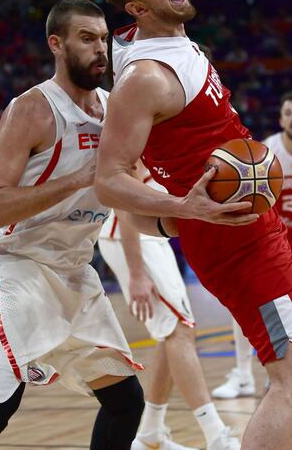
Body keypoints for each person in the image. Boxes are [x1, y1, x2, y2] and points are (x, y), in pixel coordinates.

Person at [92, 0, 292, 450]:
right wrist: (181, 208)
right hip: (237, 243)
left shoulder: (174, 42)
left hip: (246, 228)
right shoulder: (147, 77)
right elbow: (108, 178)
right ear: (136, 8)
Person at [0, 0, 146, 450]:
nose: (100, 49)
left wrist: (189, 207)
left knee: (126, 401)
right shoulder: (32, 110)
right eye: (87, 38)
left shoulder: (117, 110)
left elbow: (136, 194)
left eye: (103, 38)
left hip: (76, 271)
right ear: (56, 44)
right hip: (19, 268)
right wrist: (80, 177)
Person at [98, 163, 239, 450]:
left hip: (151, 236)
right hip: (130, 238)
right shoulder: (135, 123)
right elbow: (126, 204)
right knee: (179, 330)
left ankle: (150, 433)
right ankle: (216, 437)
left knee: (173, 332)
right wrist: (137, 272)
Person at [212, 92, 292, 399]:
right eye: (289, 113)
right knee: (247, 303)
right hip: (278, 241)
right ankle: (244, 375)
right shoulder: (266, 151)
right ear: (281, 119)